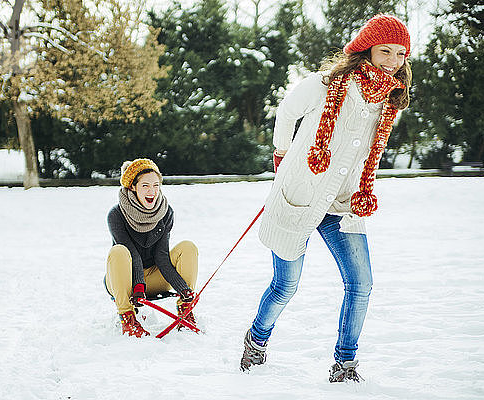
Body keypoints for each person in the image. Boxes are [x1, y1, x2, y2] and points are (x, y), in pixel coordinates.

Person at [240, 14, 412, 382]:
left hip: (343, 203)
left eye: (401, 54)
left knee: (361, 283)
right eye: (386, 52)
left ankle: (345, 362)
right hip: (300, 195)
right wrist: (282, 158)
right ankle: (256, 340)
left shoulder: (387, 101)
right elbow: (286, 113)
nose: (394, 62)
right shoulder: (325, 84)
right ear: (365, 49)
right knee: (286, 286)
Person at [105, 158, 198, 337]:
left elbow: (162, 255)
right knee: (118, 251)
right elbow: (132, 253)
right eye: (146, 186)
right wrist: (138, 284)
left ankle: (185, 309)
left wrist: (183, 288)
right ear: (133, 187)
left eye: (156, 185)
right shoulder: (116, 214)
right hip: (125, 281)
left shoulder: (165, 212)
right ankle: (128, 318)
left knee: (188, 247)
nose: (152, 191)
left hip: (155, 278)